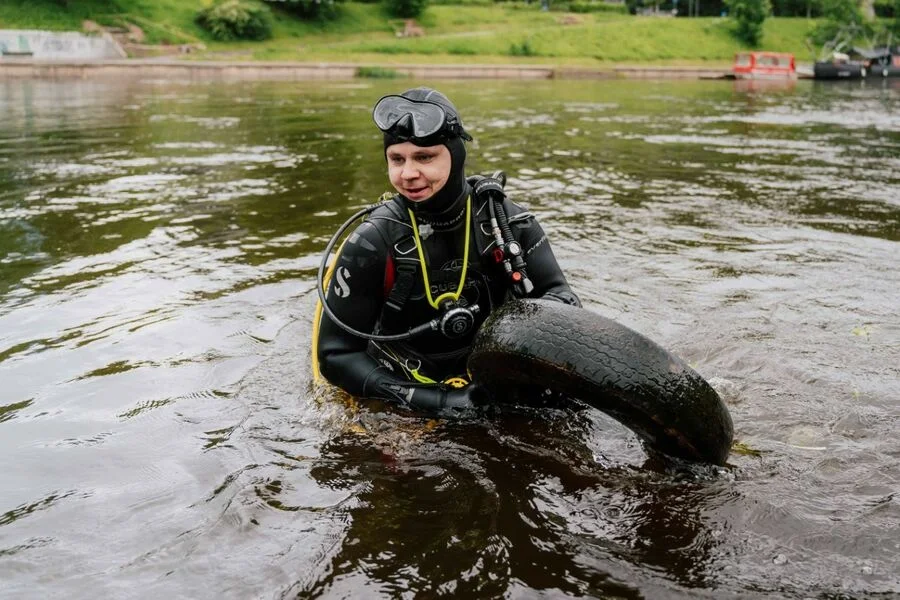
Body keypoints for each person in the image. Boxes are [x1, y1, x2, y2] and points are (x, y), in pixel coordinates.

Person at [315, 87, 580, 413]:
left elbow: (562, 296)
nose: (408, 174)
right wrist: (436, 401)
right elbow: (335, 355)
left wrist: (521, 348)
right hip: (404, 378)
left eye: (424, 157)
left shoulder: (508, 222)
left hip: (493, 370)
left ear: (456, 156)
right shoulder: (372, 242)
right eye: (397, 159)